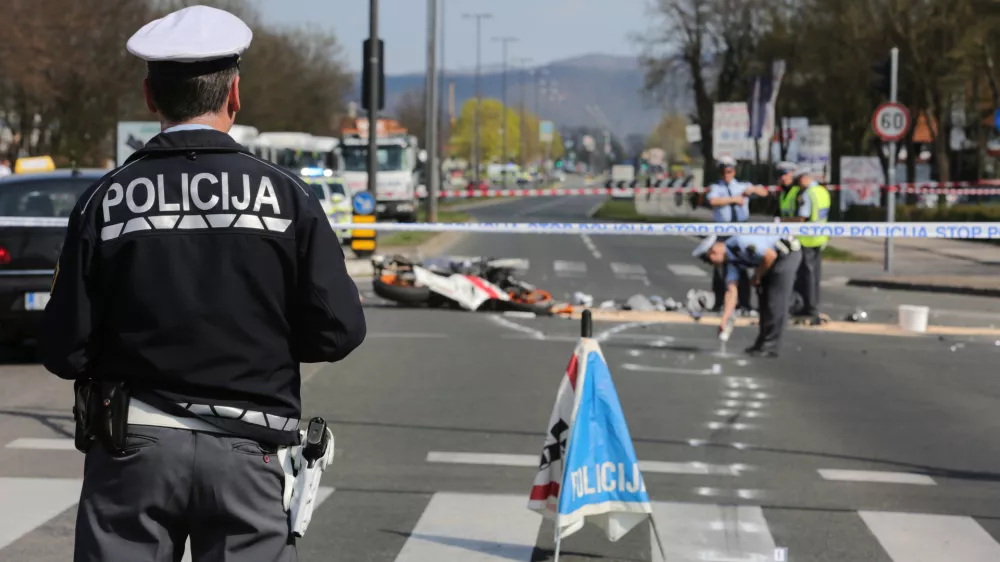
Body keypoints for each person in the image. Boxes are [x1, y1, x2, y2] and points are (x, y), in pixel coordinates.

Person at [40, 6, 367, 561]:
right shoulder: (287, 196)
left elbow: (64, 346)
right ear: (234, 94)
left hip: (133, 450)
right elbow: (338, 332)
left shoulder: (104, 199)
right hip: (251, 451)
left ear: (150, 97)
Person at [692, 234, 802, 358]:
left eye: (709, 259)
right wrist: (724, 320)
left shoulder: (741, 242)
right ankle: (761, 343)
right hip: (770, 261)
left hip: (785, 255)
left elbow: (770, 255)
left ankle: (771, 346)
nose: (712, 264)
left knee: (774, 300)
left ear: (715, 249)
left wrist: (757, 276)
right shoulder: (731, 261)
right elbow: (731, 291)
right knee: (763, 299)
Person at [706, 157, 770, 315]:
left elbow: (764, 192)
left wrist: (753, 190)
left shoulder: (742, 186)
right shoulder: (716, 187)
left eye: (729, 171)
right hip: (724, 232)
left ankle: (744, 303)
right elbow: (713, 201)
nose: (726, 174)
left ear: (734, 171)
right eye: (723, 171)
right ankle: (720, 302)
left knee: (742, 267)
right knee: (720, 268)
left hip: (740, 232)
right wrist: (733, 199)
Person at [780, 170, 831, 324]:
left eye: (799, 179)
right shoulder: (822, 191)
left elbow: (802, 218)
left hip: (806, 239)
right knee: (814, 275)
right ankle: (813, 305)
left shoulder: (808, 194)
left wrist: (782, 222)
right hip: (819, 237)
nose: (797, 183)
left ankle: (807, 307)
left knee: (805, 276)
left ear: (805, 178)